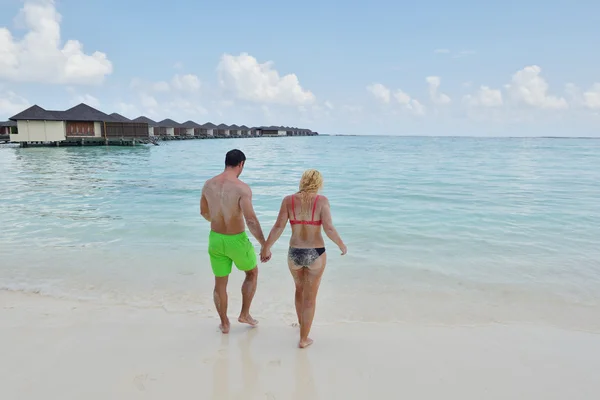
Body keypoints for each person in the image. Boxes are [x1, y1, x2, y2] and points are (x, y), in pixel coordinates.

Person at [261, 169, 347, 348]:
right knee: (310, 298)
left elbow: (278, 226)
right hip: (315, 252)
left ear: (302, 181)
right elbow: (329, 228)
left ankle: (302, 324)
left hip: (295, 252)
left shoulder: (288, 200)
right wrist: (341, 244)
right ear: (318, 183)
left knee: (299, 290)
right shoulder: (322, 201)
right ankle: (303, 338)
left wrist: (266, 247)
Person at [200, 149, 268, 334]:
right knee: (252, 273)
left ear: (226, 162)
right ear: (241, 164)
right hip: (236, 240)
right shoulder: (242, 188)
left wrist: (218, 221)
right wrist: (264, 244)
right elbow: (251, 220)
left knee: (220, 283)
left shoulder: (208, 185)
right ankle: (244, 314)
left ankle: (224, 324)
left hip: (215, 238)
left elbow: (204, 213)